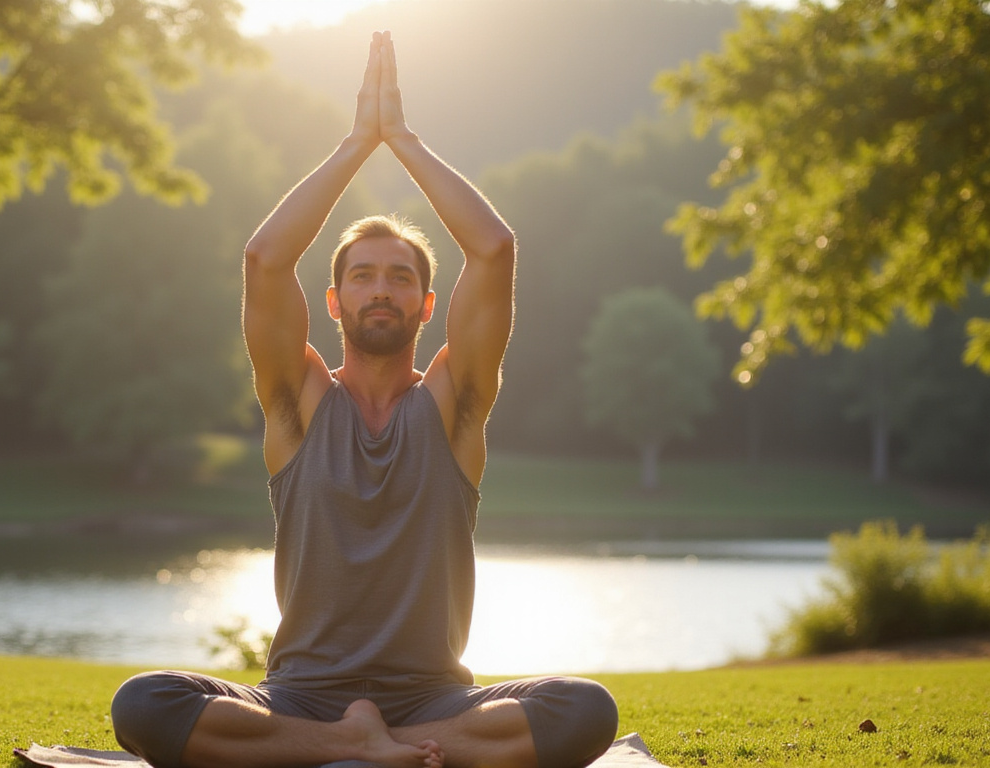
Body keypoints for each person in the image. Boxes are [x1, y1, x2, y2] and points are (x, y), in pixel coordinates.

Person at [111, 31, 618, 768]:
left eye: (400, 277)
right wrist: (356, 144)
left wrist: (402, 138)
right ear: (335, 300)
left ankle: (354, 748)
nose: (381, 288)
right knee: (145, 703)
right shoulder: (297, 402)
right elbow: (263, 257)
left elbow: (495, 248)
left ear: (425, 304)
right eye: (364, 276)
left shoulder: (455, 405)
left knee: (582, 709)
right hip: (300, 693)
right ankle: (355, 744)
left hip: (434, 695)